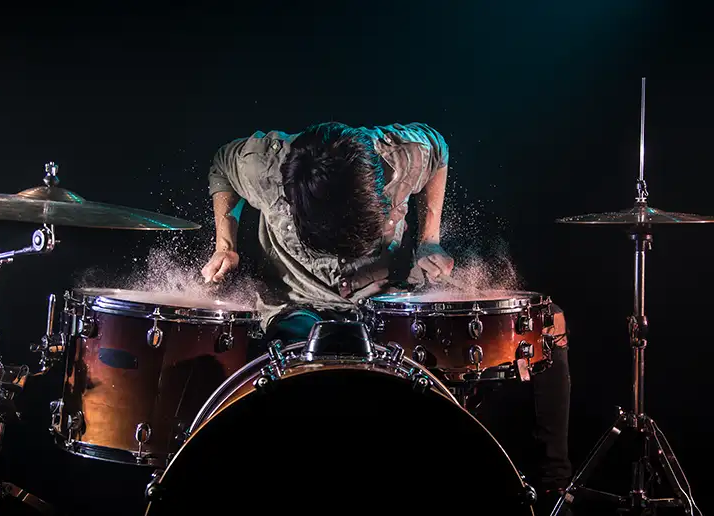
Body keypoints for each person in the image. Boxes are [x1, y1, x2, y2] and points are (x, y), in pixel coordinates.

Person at [200, 121, 571, 514]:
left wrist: (429, 239)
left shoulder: (403, 154)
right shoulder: (263, 166)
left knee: (551, 323)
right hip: (297, 305)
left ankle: (556, 490)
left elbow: (440, 151)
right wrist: (226, 245)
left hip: (381, 304)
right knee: (319, 377)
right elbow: (221, 165)